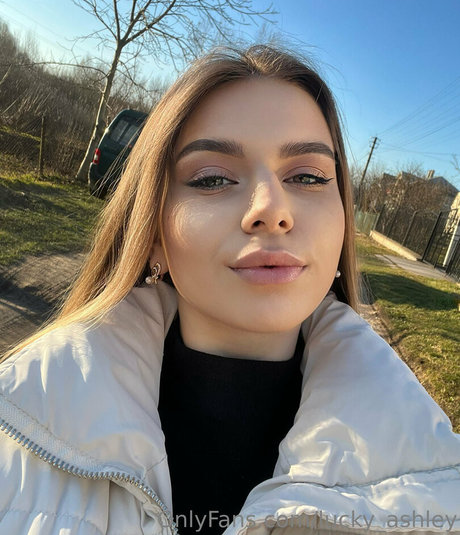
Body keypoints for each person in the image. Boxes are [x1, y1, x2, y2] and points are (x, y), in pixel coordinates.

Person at [0, 45, 459, 535]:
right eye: (213, 178)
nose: (271, 209)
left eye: (307, 176)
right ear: (152, 233)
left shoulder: (436, 488)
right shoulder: (19, 430)